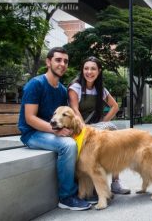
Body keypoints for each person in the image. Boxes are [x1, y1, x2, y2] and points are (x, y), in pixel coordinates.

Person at [18, 47, 91, 211]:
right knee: (68, 145)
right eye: (58, 60)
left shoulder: (62, 90)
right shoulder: (35, 84)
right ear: (48, 62)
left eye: (65, 61)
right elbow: (30, 118)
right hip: (33, 133)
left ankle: (85, 188)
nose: (62, 64)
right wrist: (56, 131)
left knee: (84, 141)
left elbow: (67, 116)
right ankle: (66, 196)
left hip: (52, 132)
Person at [68, 56, 130, 195]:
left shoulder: (101, 89)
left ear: (99, 71)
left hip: (94, 127)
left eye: (93, 69)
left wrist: (104, 121)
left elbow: (115, 106)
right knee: (109, 133)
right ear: (82, 70)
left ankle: (115, 182)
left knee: (115, 138)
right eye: (86, 68)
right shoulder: (75, 87)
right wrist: (86, 129)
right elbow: (75, 110)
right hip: (78, 127)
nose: (89, 72)